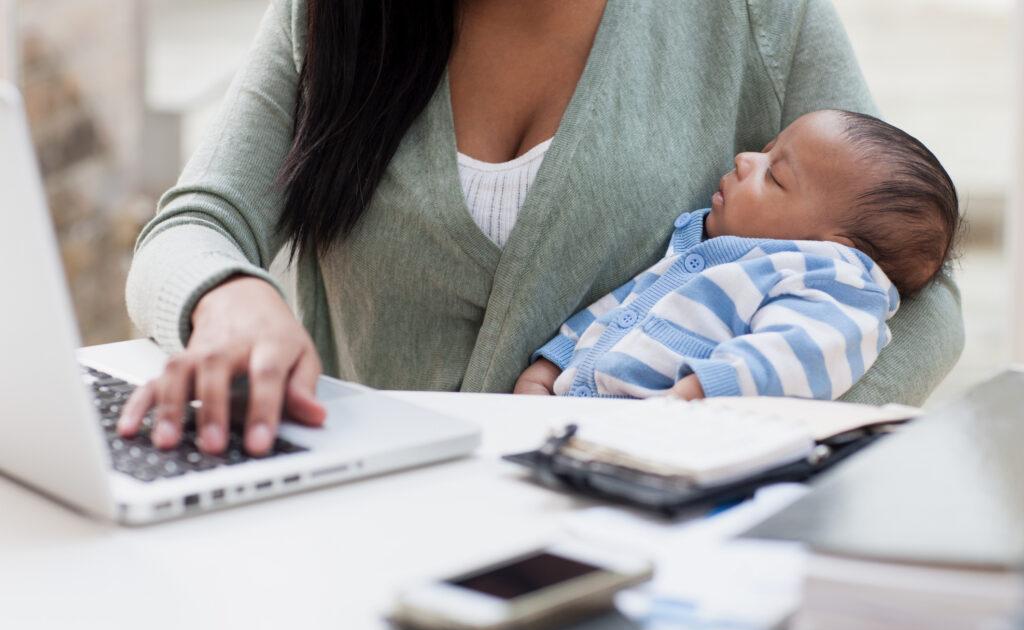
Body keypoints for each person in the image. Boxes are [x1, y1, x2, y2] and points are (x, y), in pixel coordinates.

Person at [118, 0, 964, 458]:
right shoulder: (328, 19)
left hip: (624, 556)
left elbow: (920, 300)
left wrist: (721, 447)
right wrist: (229, 299)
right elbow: (196, 225)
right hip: (350, 524)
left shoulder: (758, 18)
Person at [514, 110, 960, 399]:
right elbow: (624, 305)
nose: (745, 159)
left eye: (774, 177)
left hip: (666, 442)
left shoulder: (833, 279)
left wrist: (704, 390)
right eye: (765, 151)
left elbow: (803, 351)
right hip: (576, 423)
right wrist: (553, 364)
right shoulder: (701, 252)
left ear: (836, 247)